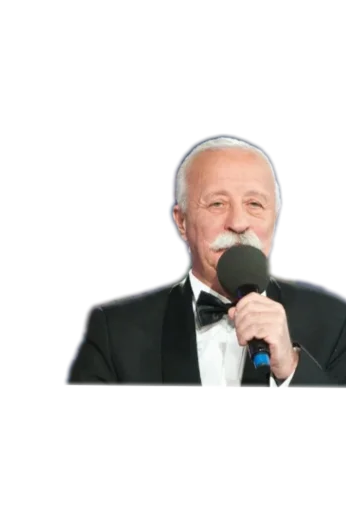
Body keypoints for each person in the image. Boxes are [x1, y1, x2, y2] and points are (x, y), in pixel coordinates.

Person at [65, 136, 346, 388]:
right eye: (217, 204)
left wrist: (291, 368)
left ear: (275, 218)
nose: (238, 223)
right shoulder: (116, 330)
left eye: (254, 204)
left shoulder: (335, 320)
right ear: (181, 222)